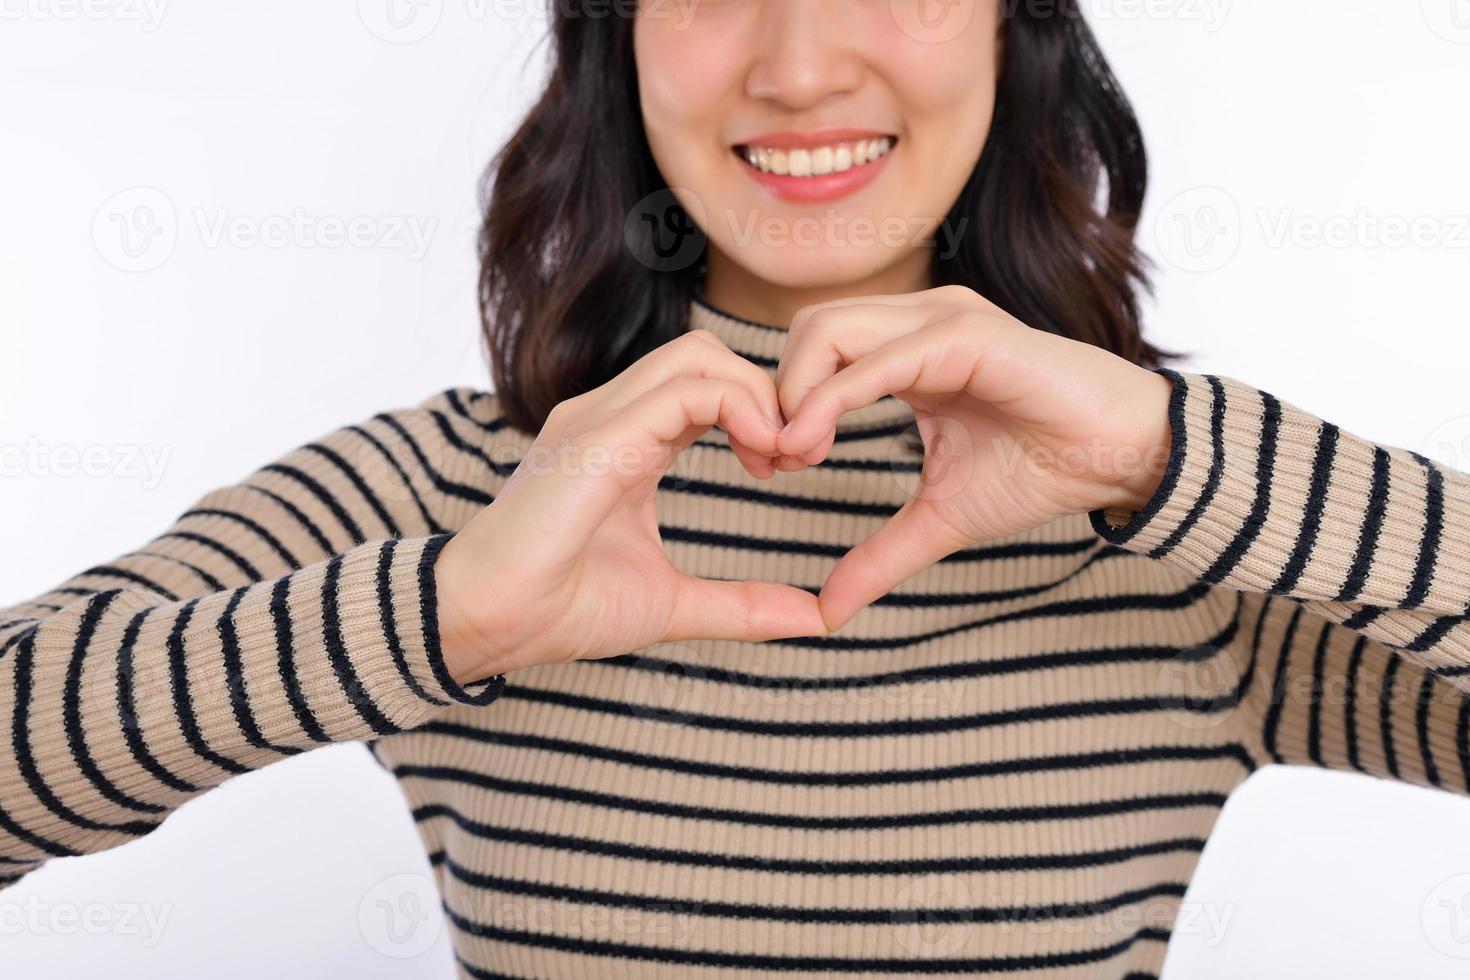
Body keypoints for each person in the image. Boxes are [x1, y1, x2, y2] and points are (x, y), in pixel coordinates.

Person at [5, 1, 1468, 977]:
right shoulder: (467, 497)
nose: (799, 68)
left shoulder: (1187, 533)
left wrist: (1167, 455)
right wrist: (440, 618)